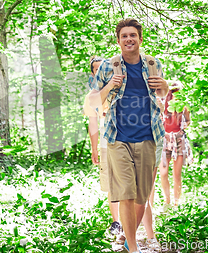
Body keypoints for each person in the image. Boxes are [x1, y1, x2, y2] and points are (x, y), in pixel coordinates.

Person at [91, 18, 168, 253]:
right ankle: (133, 248)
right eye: (124, 36)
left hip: (148, 136)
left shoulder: (153, 64)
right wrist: (109, 86)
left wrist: (164, 85)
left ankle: (128, 235)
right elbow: (93, 103)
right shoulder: (108, 67)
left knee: (141, 197)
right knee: (125, 193)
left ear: (140, 39)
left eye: (132, 35)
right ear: (118, 40)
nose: (128, 39)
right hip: (118, 137)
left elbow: (162, 96)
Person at [83, 56, 121, 235]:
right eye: (96, 69)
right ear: (92, 73)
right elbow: (93, 124)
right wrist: (94, 148)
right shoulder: (91, 97)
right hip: (107, 143)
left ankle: (137, 219)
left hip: (127, 140)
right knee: (111, 183)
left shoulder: (121, 89)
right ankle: (116, 222)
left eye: (102, 68)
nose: (99, 72)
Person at [159, 82, 193, 207]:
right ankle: (167, 200)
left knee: (177, 174)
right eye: (174, 91)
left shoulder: (184, 105)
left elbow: (188, 121)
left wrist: (185, 123)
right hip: (165, 139)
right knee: (163, 172)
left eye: (178, 91)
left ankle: (176, 202)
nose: (176, 94)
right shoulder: (163, 104)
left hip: (179, 139)